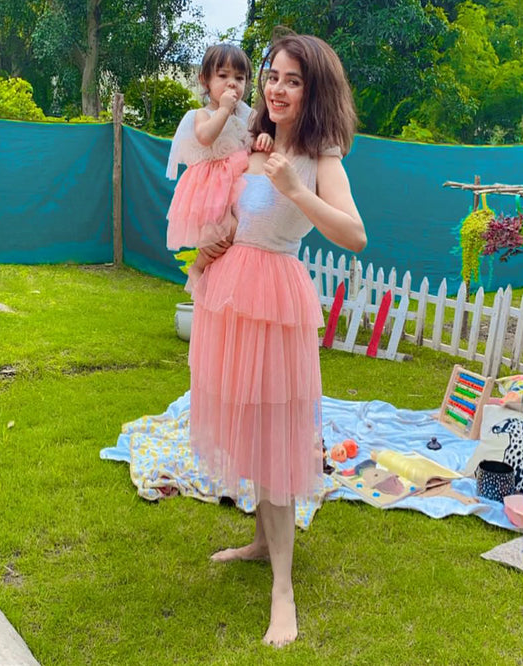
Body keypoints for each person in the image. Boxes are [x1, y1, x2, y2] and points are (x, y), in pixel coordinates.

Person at [188, 33, 367, 647]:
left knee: (277, 436)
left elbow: (355, 235)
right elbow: (235, 208)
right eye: (273, 76)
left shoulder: (323, 156)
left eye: (292, 79)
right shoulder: (250, 141)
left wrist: (296, 189)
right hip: (231, 291)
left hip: (276, 299)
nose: (276, 88)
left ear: (312, 88)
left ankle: (283, 589)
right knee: (248, 420)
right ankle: (263, 542)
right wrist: (215, 242)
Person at [166, 43, 273, 286]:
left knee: (242, 228)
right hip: (212, 186)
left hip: (239, 181)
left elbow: (253, 139)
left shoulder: (247, 115)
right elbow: (205, 137)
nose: (232, 83)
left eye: (239, 77)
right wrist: (224, 109)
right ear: (205, 81)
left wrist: (263, 139)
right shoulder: (202, 114)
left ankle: (228, 274)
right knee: (226, 230)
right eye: (223, 76)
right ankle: (198, 268)